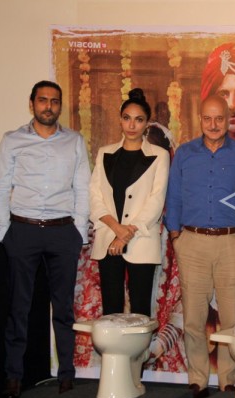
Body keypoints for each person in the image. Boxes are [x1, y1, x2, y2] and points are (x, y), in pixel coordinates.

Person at [0, 80, 91, 398]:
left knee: (63, 309)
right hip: (23, 231)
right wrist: (3, 231)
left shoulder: (74, 141)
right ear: (32, 103)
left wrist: (78, 232)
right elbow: (0, 186)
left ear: (60, 106)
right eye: (43, 100)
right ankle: (13, 377)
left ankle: (66, 375)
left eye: (54, 101)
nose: (48, 106)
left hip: (63, 232)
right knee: (19, 308)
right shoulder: (12, 140)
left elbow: (82, 187)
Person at [165, 95, 235, 398]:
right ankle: (198, 379)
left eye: (220, 118)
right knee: (194, 318)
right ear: (200, 119)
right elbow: (174, 195)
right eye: (208, 118)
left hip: (234, 243)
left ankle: (228, 380)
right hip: (192, 243)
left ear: (228, 119)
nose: (214, 125)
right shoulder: (185, 154)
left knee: (231, 318)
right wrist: (176, 235)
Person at [89, 88, 170, 316]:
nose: (132, 125)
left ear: (147, 123)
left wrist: (126, 234)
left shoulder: (159, 155)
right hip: (108, 240)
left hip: (141, 239)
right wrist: (116, 230)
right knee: (111, 311)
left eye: (138, 119)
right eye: (127, 118)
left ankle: (140, 345)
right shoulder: (105, 153)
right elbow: (94, 196)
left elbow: (156, 200)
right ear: (120, 120)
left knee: (141, 312)